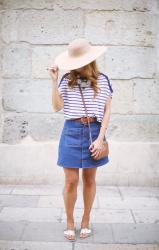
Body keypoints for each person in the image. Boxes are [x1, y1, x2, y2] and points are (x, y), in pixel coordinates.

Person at [49, 38, 113, 241]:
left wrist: (100, 138)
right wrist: (53, 79)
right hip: (71, 130)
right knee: (70, 181)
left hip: (94, 130)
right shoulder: (66, 79)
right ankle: (70, 221)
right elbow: (57, 107)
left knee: (89, 179)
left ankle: (85, 218)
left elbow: (107, 111)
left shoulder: (103, 80)